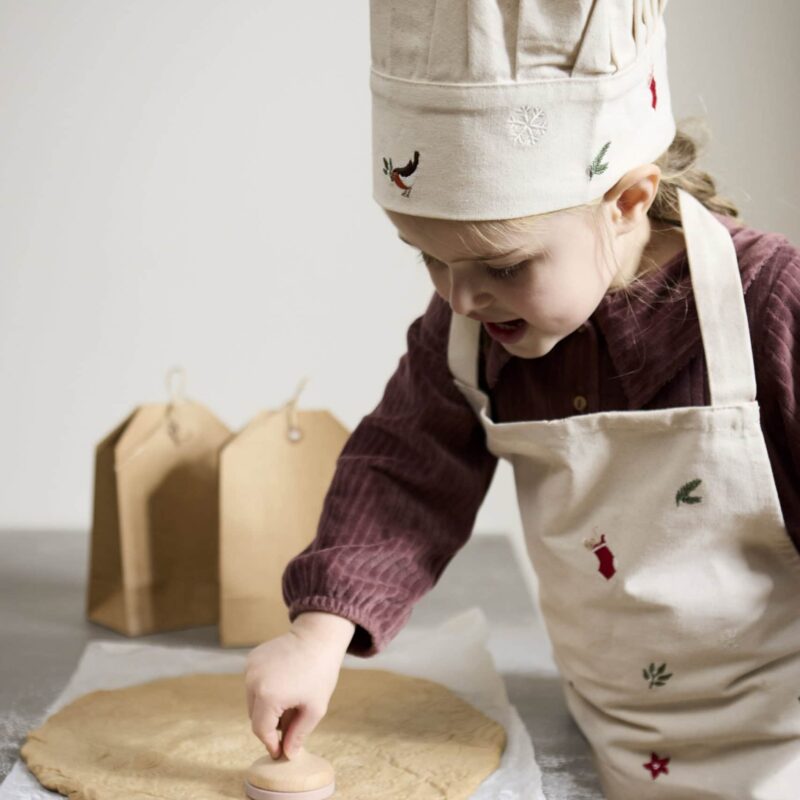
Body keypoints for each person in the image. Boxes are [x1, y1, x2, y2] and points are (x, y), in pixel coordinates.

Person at [244, 1, 800, 796]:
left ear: (628, 202)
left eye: (503, 267)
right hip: (604, 728)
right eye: (428, 259)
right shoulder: (473, 334)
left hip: (784, 747)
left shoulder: (771, 308)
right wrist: (316, 636)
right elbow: (405, 476)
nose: (461, 298)